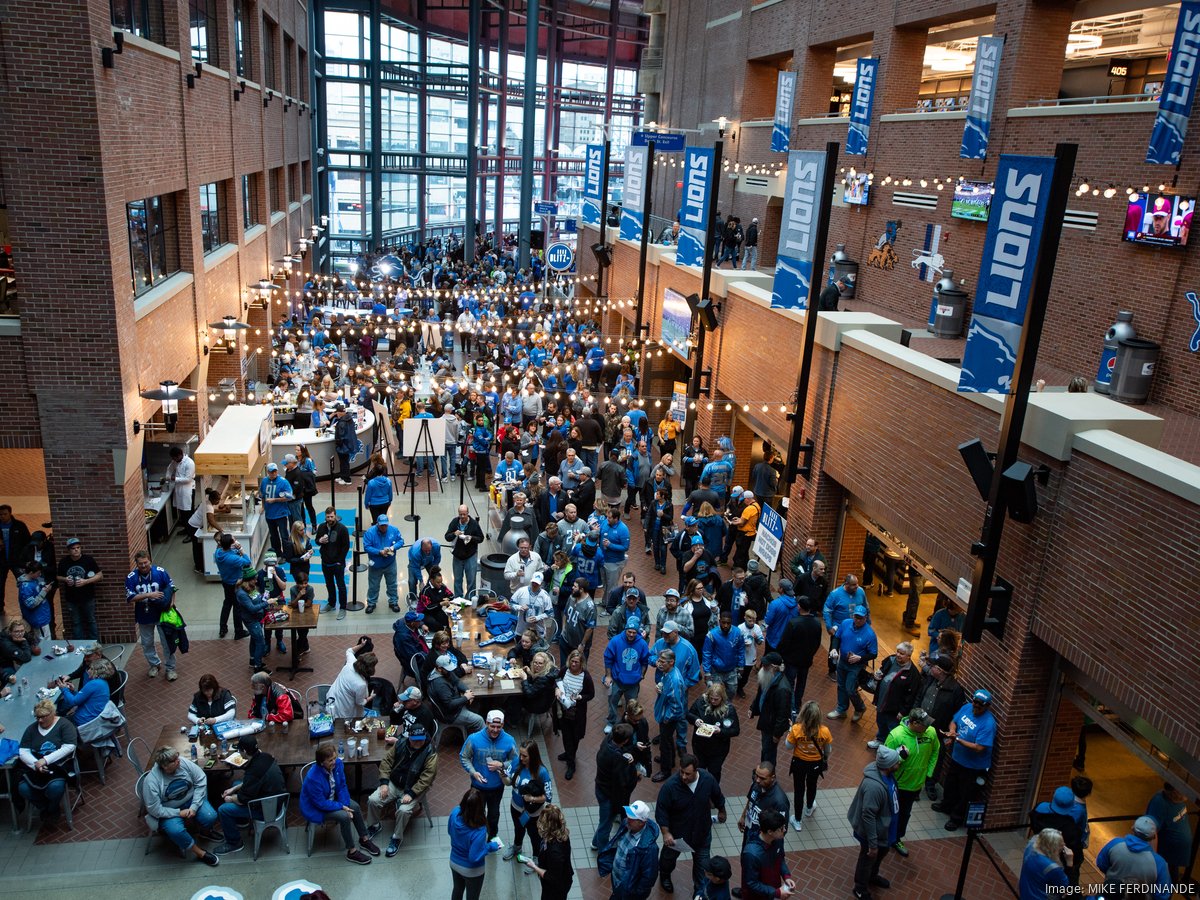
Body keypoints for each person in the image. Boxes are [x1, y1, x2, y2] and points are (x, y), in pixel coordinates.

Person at [656, 755, 727, 895]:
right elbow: (662, 810)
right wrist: (666, 832)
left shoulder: (707, 779)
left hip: (702, 833)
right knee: (667, 860)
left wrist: (722, 810)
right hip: (677, 835)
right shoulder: (670, 787)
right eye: (681, 772)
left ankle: (699, 892)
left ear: (696, 771)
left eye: (687, 773)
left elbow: (717, 795)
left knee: (702, 867)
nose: (683, 776)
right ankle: (664, 875)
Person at [140, 745, 220, 866]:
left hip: (191, 799)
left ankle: (205, 832)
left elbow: (201, 779)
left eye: (177, 757)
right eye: (174, 760)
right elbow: (154, 809)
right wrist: (178, 813)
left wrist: (194, 806)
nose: (179, 761)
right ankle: (200, 853)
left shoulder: (183, 763)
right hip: (169, 809)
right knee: (176, 831)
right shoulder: (151, 782)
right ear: (165, 766)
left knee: (210, 816)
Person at [300, 742, 378, 864]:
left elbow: (341, 786)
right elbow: (320, 803)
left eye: (335, 758)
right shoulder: (312, 778)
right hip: (316, 807)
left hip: (333, 797)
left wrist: (345, 804)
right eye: (330, 760)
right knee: (344, 816)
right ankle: (351, 851)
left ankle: (364, 839)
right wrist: (342, 807)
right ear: (321, 763)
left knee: (355, 807)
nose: (334, 762)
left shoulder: (338, 764)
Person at [366, 726, 438, 856]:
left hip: (414, 787)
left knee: (404, 811)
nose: (418, 743)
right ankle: (375, 825)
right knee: (373, 800)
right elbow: (387, 761)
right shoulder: (400, 744)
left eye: (420, 740)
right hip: (394, 783)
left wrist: (411, 793)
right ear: (409, 737)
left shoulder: (430, 753)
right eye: (414, 740)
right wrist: (384, 783)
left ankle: (397, 838)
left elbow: (426, 778)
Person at [212, 735, 287, 857]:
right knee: (236, 783)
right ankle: (242, 821)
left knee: (223, 810)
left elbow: (242, 800)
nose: (239, 752)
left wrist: (229, 798)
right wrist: (233, 789)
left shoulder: (253, 771)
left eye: (239, 750)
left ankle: (234, 843)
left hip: (268, 810)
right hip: (276, 798)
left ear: (244, 752)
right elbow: (253, 782)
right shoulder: (265, 757)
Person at [934, 688, 996, 831]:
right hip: (958, 759)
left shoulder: (988, 724)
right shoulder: (967, 707)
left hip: (973, 766)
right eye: (975, 704)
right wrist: (952, 731)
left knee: (965, 793)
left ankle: (956, 818)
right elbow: (954, 721)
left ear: (987, 706)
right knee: (951, 783)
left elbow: (979, 747)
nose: (975, 708)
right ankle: (946, 805)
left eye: (979, 706)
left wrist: (958, 739)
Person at [848, 745, 902, 899]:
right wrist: (872, 844)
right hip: (873, 833)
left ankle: (872, 876)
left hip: (884, 829)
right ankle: (860, 888)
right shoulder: (873, 787)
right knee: (867, 859)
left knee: (879, 855)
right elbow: (868, 816)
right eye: (897, 763)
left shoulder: (886, 773)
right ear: (889, 766)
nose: (899, 764)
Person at [884, 708, 938, 857]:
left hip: (915, 785)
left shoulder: (931, 733)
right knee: (888, 811)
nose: (927, 728)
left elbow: (935, 751)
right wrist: (900, 758)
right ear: (914, 723)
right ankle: (882, 836)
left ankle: (896, 838)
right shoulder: (896, 736)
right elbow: (883, 761)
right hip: (897, 784)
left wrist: (928, 773)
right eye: (924, 725)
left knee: (905, 814)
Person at [16, 699, 79, 827]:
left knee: (55, 788)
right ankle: (49, 808)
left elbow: (69, 746)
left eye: (43, 717)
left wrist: (45, 760)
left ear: (52, 714)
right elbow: (23, 750)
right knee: (23, 788)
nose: (39, 720)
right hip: (36, 769)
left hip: (58, 767)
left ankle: (50, 809)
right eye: (37, 717)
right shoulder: (31, 729)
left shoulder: (64, 725)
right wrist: (35, 763)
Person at [459, 710, 518, 840]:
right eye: (492, 726)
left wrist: (502, 765)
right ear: (486, 723)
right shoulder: (474, 739)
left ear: (503, 725)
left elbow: (516, 761)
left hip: (497, 788)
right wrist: (473, 772)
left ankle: (492, 835)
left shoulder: (509, 740)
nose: (495, 730)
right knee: (476, 813)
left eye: (499, 727)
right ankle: (477, 836)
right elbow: (464, 757)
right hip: (477, 787)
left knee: (494, 814)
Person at [125, 550, 177, 680]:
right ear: (136, 564)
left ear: (150, 561)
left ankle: (170, 668)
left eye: (146, 562)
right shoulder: (131, 577)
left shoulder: (160, 572)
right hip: (144, 614)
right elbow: (130, 597)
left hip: (161, 614)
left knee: (166, 642)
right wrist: (149, 595)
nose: (143, 566)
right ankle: (154, 664)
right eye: (140, 563)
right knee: (147, 643)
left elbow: (172, 587)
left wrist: (172, 602)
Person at [784, 700, 833, 832]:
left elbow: (788, 746)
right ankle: (809, 807)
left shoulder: (796, 729)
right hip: (815, 765)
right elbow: (828, 750)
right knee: (812, 785)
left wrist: (790, 729)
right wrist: (825, 758)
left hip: (799, 763)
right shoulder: (825, 731)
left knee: (799, 790)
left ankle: (798, 820)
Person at [598, 800, 662, 900]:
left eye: (632, 819)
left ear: (641, 822)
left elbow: (649, 878)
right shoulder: (626, 825)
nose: (627, 819)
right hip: (618, 882)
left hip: (629, 892)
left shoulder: (649, 849)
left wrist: (634, 893)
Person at [504, 739, 553, 861]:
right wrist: (502, 776)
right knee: (518, 828)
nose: (521, 758)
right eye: (520, 754)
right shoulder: (516, 763)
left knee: (535, 836)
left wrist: (532, 798)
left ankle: (537, 857)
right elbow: (509, 782)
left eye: (524, 755)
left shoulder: (542, 772)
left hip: (533, 813)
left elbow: (547, 796)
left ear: (533, 755)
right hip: (515, 807)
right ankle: (517, 847)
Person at [1096, 816, 1171, 895]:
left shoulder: (1115, 844)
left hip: (1110, 895)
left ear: (1132, 828)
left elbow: (1101, 863)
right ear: (1152, 837)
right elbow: (1163, 893)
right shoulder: (1159, 863)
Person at [868, 641, 923, 749]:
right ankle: (880, 740)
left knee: (892, 728)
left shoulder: (913, 674)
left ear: (908, 656)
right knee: (880, 721)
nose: (898, 655)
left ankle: (890, 747)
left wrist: (903, 711)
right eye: (898, 652)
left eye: (902, 653)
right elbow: (882, 669)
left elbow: (911, 696)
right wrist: (878, 674)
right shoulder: (891, 659)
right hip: (882, 700)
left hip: (895, 709)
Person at [828, 606, 877, 722]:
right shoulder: (846, 623)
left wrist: (860, 658)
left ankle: (860, 708)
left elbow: (873, 654)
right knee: (840, 685)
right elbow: (837, 637)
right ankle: (841, 709)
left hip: (856, 666)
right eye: (856, 617)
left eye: (861, 618)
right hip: (843, 661)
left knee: (850, 688)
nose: (858, 620)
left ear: (866, 618)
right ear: (853, 616)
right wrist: (834, 648)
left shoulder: (870, 634)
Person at [552, 648, 595, 780]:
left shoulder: (586, 676)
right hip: (564, 710)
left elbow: (591, 694)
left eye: (576, 662)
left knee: (575, 737)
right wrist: (557, 689)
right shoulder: (565, 670)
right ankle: (571, 762)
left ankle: (570, 754)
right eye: (572, 661)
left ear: (582, 663)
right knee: (566, 736)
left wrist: (580, 697)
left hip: (577, 713)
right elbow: (556, 680)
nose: (574, 664)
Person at [602, 616, 650, 730]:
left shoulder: (642, 644)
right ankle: (611, 722)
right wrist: (608, 676)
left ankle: (629, 723)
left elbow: (644, 661)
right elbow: (608, 658)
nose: (631, 634)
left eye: (634, 632)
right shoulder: (615, 641)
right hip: (617, 680)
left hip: (633, 683)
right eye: (629, 631)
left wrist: (642, 674)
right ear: (625, 629)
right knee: (612, 702)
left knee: (631, 705)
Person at [688, 682, 740, 786]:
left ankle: (713, 791)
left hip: (718, 750)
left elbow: (735, 730)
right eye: (711, 698)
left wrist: (721, 731)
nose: (713, 701)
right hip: (700, 746)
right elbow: (689, 714)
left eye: (716, 699)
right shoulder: (701, 702)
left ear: (722, 698)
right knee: (699, 770)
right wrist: (696, 719)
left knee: (714, 772)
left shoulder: (728, 709)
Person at [777, 594, 822, 712]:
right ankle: (797, 705)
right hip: (806, 660)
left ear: (799, 607)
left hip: (791, 660)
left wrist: (782, 655)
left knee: (790, 683)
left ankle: (791, 707)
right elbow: (817, 643)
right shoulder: (817, 623)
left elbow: (784, 643)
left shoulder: (794, 623)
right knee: (801, 684)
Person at [522, 803, 575, 900]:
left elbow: (552, 877)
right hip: (561, 878)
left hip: (556, 887)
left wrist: (534, 866)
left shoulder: (555, 852)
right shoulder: (561, 834)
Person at [651, 648, 689, 783]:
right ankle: (670, 760)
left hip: (669, 717)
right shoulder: (668, 672)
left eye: (662, 662)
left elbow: (676, 706)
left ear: (671, 662)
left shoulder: (674, 680)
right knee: (667, 740)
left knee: (665, 742)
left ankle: (665, 770)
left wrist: (667, 718)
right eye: (659, 660)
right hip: (666, 713)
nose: (659, 664)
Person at [739, 761, 790, 856]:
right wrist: (743, 816)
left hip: (764, 846)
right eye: (756, 776)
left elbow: (782, 831)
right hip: (750, 833)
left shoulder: (780, 801)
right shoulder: (756, 784)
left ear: (772, 778)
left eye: (762, 778)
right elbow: (750, 801)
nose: (758, 780)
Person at [56, 536, 102, 642]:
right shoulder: (64, 562)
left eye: (78, 547)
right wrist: (65, 579)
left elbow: (100, 576)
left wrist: (85, 581)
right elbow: (58, 576)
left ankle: (94, 645)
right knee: (76, 623)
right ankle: (79, 647)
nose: (76, 550)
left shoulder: (88, 560)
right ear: (68, 550)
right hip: (71, 599)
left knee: (91, 621)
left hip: (88, 597)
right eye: (73, 548)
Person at [741, 809, 795, 899]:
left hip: (773, 890)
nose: (785, 830)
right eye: (781, 829)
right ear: (770, 832)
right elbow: (751, 883)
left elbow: (780, 858)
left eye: (784, 826)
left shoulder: (778, 839)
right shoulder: (751, 854)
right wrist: (775, 892)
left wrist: (786, 876)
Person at [1145, 782, 1192, 884]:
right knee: (1164, 885)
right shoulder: (1159, 803)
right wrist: (1153, 860)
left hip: (1173, 857)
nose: (1186, 795)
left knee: (1172, 882)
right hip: (1165, 857)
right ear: (1174, 792)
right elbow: (1150, 832)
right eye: (1182, 792)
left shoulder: (1178, 800)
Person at [750, 652, 792, 765]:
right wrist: (753, 708)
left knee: (769, 752)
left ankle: (768, 774)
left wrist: (777, 734)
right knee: (766, 748)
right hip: (767, 721)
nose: (762, 667)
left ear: (773, 667)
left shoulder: (783, 689)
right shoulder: (768, 676)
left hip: (771, 727)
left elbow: (783, 714)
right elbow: (761, 694)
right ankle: (764, 770)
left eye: (765, 665)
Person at [427, 652, 484, 734]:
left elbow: (456, 681)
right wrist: (465, 698)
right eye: (448, 669)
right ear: (439, 668)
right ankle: (483, 742)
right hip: (451, 714)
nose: (450, 670)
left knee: (478, 702)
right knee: (479, 720)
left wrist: (467, 691)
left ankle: (472, 727)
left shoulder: (443, 671)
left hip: (455, 703)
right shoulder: (440, 684)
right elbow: (449, 704)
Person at [363, 514, 404, 614]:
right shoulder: (370, 533)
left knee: (392, 584)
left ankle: (393, 602)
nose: (384, 527)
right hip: (375, 565)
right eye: (382, 525)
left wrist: (392, 548)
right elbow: (366, 547)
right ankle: (371, 603)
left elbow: (401, 541)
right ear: (377, 524)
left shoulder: (394, 530)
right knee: (373, 585)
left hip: (390, 563)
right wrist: (379, 552)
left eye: (385, 525)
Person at [326, 638, 377, 718]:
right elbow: (360, 702)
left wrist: (361, 645)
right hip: (343, 710)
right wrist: (371, 697)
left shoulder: (351, 663)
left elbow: (349, 651)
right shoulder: (361, 684)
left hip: (332, 700)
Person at [315, 507, 351, 619]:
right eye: (328, 517)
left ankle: (343, 608)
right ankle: (331, 603)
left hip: (338, 564)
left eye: (331, 516)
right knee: (329, 584)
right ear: (325, 517)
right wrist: (320, 541)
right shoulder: (321, 527)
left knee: (341, 586)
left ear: (335, 516)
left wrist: (340, 561)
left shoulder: (342, 529)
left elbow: (346, 547)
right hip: (325, 562)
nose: (330, 519)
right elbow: (316, 540)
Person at [213, 534, 251, 639]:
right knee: (237, 607)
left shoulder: (218, 553)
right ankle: (238, 631)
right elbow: (248, 561)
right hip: (235, 584)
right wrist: (240, 548)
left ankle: (222, 628)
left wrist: (233, 548)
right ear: (231, 544)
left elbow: (224, 551)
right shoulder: (234, 559)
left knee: (227, 604)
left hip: (225, 582)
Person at [1019, 828, 1071, 899]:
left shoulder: (1031, 846)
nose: (1064, 845)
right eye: (1060, 845)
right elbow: (1064, 887)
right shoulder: (1053, 867)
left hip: (1025, 890)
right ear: (1053, 847)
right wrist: (1069, 863)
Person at [236, 566, 271, 673]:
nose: (256, 581)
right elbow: (251, 608)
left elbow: (257, 598)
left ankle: (252, 660)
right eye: (254, 579)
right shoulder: (242, 594)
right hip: (252, 621)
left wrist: (263, 597)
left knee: (254, 640)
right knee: (260, 642)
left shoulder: (251, 588)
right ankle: (258, 666)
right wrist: (267, 603)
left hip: (258, 618)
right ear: (248, 580)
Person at [444, 505, 484, 597]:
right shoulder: (455, 522)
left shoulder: (474, 524)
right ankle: (458, 599)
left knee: (471, 580)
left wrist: (471, 538)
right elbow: (447, 537)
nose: (462, 516)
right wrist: (454, 533)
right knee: (457, 580)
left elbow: (481, 538)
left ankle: (470, 599)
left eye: (464, 514)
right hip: (457, 556)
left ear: (468, 513)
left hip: (470, 556)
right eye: (460, 514)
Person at [259, 462, 294, 556]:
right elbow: (262, 495)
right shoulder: (264, 481)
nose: (273, 473)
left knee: (284, 535)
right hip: (269, 515)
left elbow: (290, 497)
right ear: (267, 472)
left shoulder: (283, 482)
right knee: (273, 536)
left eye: (275, 471)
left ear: (277, 471)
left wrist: (275, 500)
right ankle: (277, 553)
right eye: (271, 472)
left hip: (281, 514)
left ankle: (287, 554)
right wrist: (263, 507)